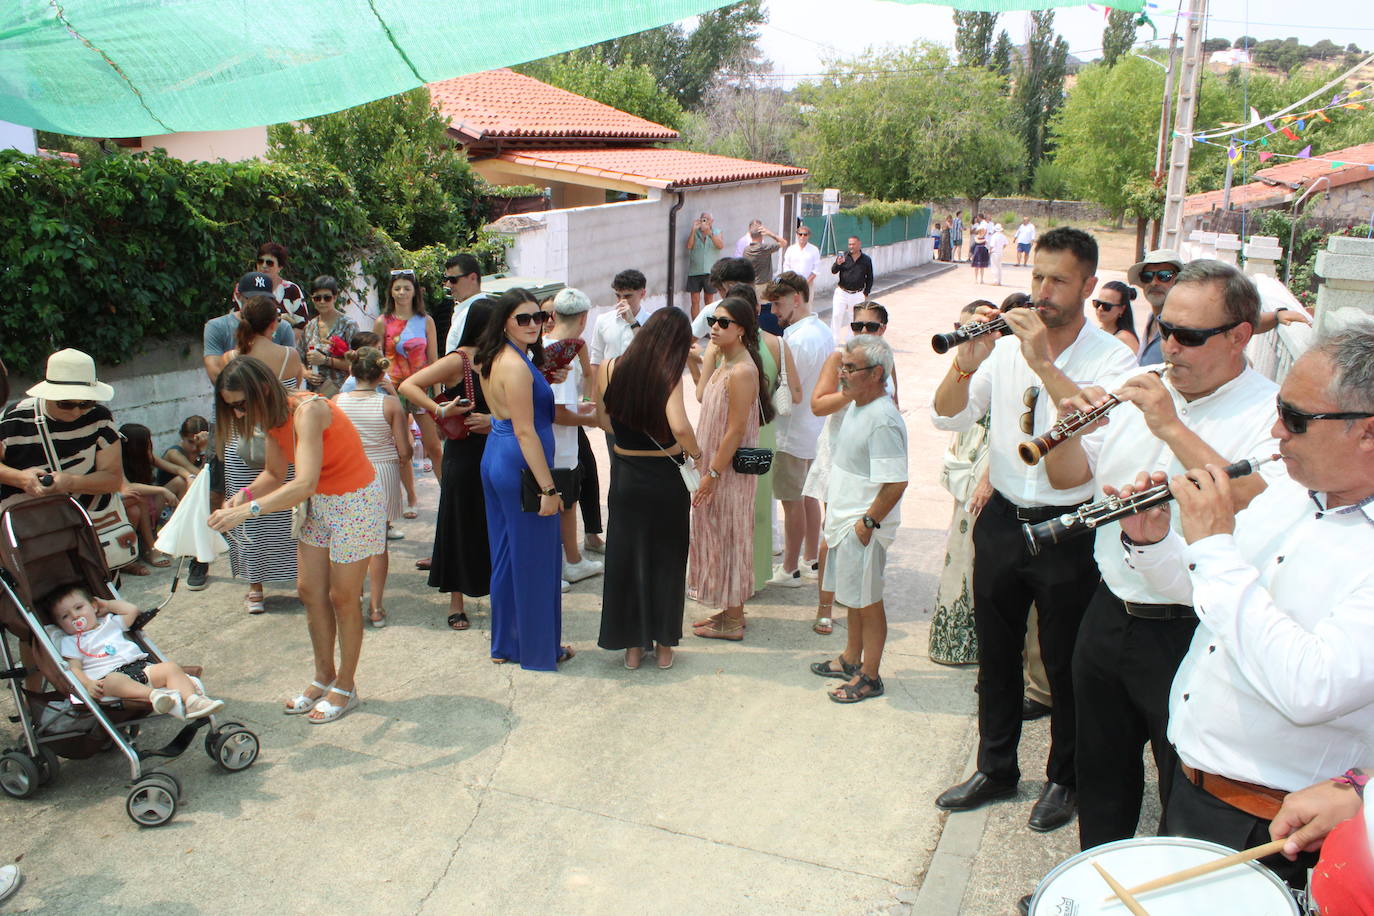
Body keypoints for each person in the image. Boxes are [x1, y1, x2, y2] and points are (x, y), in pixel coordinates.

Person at [1108, 325, 1374, 889]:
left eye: (1296, 419)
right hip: (1193, 783)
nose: (1276, 432)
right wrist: (1153, 542)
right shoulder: (1289, 489)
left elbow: (1311, 688)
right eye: (1279, 409)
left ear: (1368, 433)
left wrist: (1212, 544)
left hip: (1282, 825)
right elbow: (1204, 593)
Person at [1041, 260, 1280, 853]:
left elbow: (1253, 500)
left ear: (1239, 337)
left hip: (1194, 630)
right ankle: (1098, 880)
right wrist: (1066, 432)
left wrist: (1168, 424)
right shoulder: (1144, 387)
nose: (1169, 347)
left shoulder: (1272, 416)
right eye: (1164, 327)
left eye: (1188, 336)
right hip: (1112, 606)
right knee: (1101, 773)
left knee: (1185, 787)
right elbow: (1071, 477)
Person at [930, 227, 1137, 833]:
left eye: (1058, 281)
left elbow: (1097, 449)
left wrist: (1043, 362)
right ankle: (995, 768)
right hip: (1002, 518)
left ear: (1090, 286)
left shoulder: (1113, 360)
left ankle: (1065, 779)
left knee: (1068, 663)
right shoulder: (1002, 345)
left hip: (1069, 525)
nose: (1042, 292)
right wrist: (965, 368)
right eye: (1037, 277)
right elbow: (949, 414)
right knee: (995, 657)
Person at [209, 356, 384, 724]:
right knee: (309, 590)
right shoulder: (269, 420)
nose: (238, 415)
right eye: (231, 408)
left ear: (262, 391)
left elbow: (301, 481)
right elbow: (274, 474)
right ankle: (324, 676)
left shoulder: (308, 410)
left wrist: (245, 512)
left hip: (355, 501)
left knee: (343, 597)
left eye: (241, 405)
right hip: (319, 502)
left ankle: (346, 686)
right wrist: (243, 495)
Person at [596, 307, 702, 669]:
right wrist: (698, 455)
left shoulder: (608, 368)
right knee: (667, 560)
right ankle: (665, 646)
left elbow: (602, 421)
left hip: (625, 472)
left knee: (627, 559)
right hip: (663, 477)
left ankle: (631, 647)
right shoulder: (668, 374)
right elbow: (681, 426)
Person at [475, 289, 572, 670]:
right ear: (504, 322)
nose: (534, 324)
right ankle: (537, 650)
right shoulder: (513, 365)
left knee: (506, 556)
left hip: (500, 459)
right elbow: (525, 432)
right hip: (520, 465)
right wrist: (548, 488)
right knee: (534, 559)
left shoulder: (501, 357)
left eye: (539, 317)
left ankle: (507, 644)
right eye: (523, 318)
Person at [808, 335, 907, 703]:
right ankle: (851, 658)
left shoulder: (882, 419)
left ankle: (870, 676)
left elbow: (896, 482)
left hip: (862, 526)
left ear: (878, 374)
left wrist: (867, 524)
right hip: (845, 519)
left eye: (851, 368)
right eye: (842, 366)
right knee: (852, 597)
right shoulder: (856, 405)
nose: (843, 374)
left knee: (868, 602)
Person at [399, 300, 495, 631]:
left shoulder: (503, 356)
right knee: (459, 525)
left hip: (496, 449)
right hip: (465, 453)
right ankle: (457, 601)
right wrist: (439, 411)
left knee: (492, 525)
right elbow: (408, 385)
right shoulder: (460, 359)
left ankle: (496, 591)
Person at [803, 302, 897, 635]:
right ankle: (825, 606)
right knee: (834, 533)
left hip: (873, 457)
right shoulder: (839, 360)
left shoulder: (885, 361)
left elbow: (893, 404)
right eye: (856, 326)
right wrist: (852, 389)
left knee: (865, 531)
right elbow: (817, 405)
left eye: (870, 327)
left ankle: (855, 597)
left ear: (883, 330)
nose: (861, 333)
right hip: (840, 452)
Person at [688, 297, 772, 640]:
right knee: (718, 536)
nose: (715, 327)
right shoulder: (724, 361)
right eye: (713, 320)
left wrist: (713, 473)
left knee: (731, 537)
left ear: (741, 329)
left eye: (723, 322)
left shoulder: (742, 370)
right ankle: (727, 611)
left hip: (727, 473)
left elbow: (736, 429)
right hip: (714, 467)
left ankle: (734, 620)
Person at [221, 296, 303, 615]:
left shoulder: (232, 356)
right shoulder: (289, 357)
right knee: (286, 511)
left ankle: (255, 589)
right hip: (281, 439)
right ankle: (299, 578)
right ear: (275, 323)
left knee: (248, 515)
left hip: (240, 442)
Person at [43, 585, 224, 719]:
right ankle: (155, 696)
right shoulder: (70, 641)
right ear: (59, 626)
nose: (75, 616)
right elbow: (74, 668)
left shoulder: (110, 622)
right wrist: (87, 684)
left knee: (170, 667)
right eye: (65, 616)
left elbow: (132, 611)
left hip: (140, 667)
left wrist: (107, 604)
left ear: (94, 606)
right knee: (114, 681)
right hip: (108, 678)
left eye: (79, 608)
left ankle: (192, 701)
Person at [929, 301, 995, 666]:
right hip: (966, 472)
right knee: (961, 554)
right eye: (968, 327)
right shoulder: (967, 366)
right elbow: (944, 415)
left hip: (991, 475)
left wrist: (989, 478)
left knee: (977, 560)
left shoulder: (1006, 364)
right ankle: (958, 643)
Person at [764, 272, 833, 587]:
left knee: (792, 501)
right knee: (807, 497)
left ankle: (790, 568)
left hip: (792, 432)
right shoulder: (821, 330)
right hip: (812, 428)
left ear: (796, 298)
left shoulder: (798, 339)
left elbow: (788, 390)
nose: (774, 312)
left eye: (777, 304)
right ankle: (810, 559)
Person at [334, 348, 411, 628]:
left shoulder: (337, 401)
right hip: (382, 471)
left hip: (348, 472)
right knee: (378, 543)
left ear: (352, 372)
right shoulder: (390, 404)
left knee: (350, 539)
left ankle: (353, 596)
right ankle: (376, 607)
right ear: (381, 374)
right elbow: (405, 450)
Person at [0, 348, 123, 522]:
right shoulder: (14, 418)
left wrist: (72, 482)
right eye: (65, 404)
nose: (76, 411)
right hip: (29, 527)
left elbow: (114, 479)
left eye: (85, 403)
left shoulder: (100, 417)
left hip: (90, 525)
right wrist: (20, 479)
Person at [545, 288, 603, 587]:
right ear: (584, 317)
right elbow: (556, 413)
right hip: (556, 449)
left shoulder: (544, 345)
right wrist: (594, 418)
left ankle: (573, 562)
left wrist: (580, 408)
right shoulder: (559, 354)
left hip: (557, 448)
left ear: (553, 315)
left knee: (566, 506)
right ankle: (556, 568)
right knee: (554, 508)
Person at [376, 268, 441, 486]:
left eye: (407, 288)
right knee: (401, 449)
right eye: (397, 288)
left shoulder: (426, 321)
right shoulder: (382, 322)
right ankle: (410, 498)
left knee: (434, 446)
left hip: (422, 388)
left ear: (415, 292)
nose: (402, 292)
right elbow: (377, 358)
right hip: (392, 389)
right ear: (390, 292)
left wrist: (439, 395)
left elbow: (434, 360)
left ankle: (446, 497)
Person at [118, 423, 181, 571]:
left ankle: (175, 535)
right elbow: (128, 487)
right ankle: (150, 546)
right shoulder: (118, 462)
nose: (149, 445)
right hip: (133, 505)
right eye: (146, 442)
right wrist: (162, 490)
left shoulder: (148, 457)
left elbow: (176, 469)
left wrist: (191, 476)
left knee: (181, 482)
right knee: (139, 498)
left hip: (151, 506)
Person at [228, 243, 309, 340]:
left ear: (280, 267)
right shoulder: (243, 287)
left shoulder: (292, 290)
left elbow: (302, 327)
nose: (264, 266)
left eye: (269, 263)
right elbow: (234, 321)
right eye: (260, 261)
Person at [300, 276, 358, 397]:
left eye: (327, 298)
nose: (322, 302)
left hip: (342, 391)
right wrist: (306, 373)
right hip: (313, 393)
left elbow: (358, 363)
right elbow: (298, 359)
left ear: (335, 297)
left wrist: (326, 360)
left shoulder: (348, 325)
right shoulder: (309, 327)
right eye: (317, 298)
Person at [1128, 249, 1185, 366]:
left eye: (1164, 276)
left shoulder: (1184, 326)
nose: (1154, 283)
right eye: (1147, 276)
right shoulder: (1152, 319)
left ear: (1178, 280)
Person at [441, 253, 488, 355]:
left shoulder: (480, 312)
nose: (448, 284)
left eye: (453, 280)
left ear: (472, 278)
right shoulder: (464, 309)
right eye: (446, 279)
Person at [829, 235, 873, 344]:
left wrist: (866, 293)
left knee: (853, 318)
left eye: (853, 244)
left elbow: (870, 277)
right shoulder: (843, 256)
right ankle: (834, 339)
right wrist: (837, 263)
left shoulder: (866, 260)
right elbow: (833, 271)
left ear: (859, 244)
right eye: (849, 244)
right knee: (837, 315)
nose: (851, 246)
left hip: (857, 294)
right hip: (842, 292)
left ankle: (849, 339)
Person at [685, 212, 724, 319]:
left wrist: (709, 233)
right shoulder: (695, 232)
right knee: (695, 300)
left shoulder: (717, 232)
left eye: (707, 219)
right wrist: (693, 230)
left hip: (710, 271)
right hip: (695, 271)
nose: (704, 221)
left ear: (712, 221)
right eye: (703, 219)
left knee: (709, 300)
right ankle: (695, 327)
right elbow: (689, 246)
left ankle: (707, 326)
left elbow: (720, 245)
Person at [159, 415, 208, 491]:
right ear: (182, 436)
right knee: (182, 480)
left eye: (198, 443)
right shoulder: (174, 453)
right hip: (167, 498)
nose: (194, 448)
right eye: (190, 442)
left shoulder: (200, 451)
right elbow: (200, 477)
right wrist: (204, 450)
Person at [1091, 279, 1141, 354]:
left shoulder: (1126, 339)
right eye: (1097, 303)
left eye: (1107, 306)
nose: (1100, 308)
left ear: (1121, 309)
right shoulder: (1097, 332)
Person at [743, 223, 787, 302]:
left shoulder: (746, 250)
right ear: (761, 236)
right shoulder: (765, 248)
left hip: (751, 284)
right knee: (764, 310)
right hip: (764, 285)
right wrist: (770, 233)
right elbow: (784, 242)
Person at [782, 224, 820, 290]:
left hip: (808, 284)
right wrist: (791, 281)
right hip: (792, 284)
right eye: (800, 234)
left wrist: (805, 283)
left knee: (807, 300)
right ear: (797, 235)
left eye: (805, 234)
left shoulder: (814, 250)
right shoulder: (790, 249)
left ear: (809, 236)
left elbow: (816, 270)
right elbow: (786, 266)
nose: (802, 236)